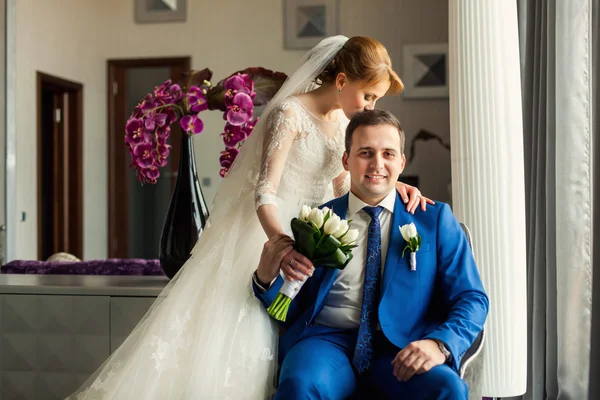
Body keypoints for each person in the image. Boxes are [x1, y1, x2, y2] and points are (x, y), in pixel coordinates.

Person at [70, 36, 431, 399]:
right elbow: (265, 191)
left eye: (376, 100)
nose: (371, 106)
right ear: (341, 82)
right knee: (245, 340)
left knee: (297, 333)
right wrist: (283, 246)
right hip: (268, 230)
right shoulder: (290, 113)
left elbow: (343, 189)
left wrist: (392, 188)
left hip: (313, 238)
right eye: (368, 96)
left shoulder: (342, 125)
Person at [253, 110, 489, 399]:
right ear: (346, 160)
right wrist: (265, 279)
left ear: (401, 162)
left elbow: (472, 298)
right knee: (300, 384)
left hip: (404, 346)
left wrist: (439, 344)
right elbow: (293, 304)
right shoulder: (315, 220)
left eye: (388, 154)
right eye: (366, 152)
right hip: (328, 343)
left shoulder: (435, 220)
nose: (377, 164)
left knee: (447, 388)